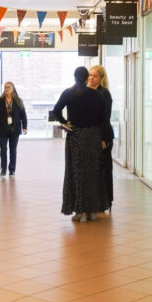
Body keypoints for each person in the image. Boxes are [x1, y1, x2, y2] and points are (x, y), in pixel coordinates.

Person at [50, 66, 109, 222]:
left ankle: (79, 210)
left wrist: (65, 123)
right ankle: (92, 210)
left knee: (76, 173)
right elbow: (103, 119)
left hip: (75, 136)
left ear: (74, 77)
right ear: (85, 78)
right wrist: (102, 138)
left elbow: (55, 111)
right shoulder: (96, 96)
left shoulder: (69, 93)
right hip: (93, 137)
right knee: (93, 173)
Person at [87, 65, 114, 211]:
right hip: (92, 136)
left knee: (104, 169)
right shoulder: (88, 92)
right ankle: (96, 200)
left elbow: (105, 118)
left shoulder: (104, 94)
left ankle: (106, 201)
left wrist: (103, 139)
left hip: (103, 137)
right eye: (90, 75)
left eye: (95, 76)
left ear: (101, 78)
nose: (91, 78)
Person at [0, 81, 28, 176]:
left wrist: (25, 127)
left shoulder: (19, 101)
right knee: (3, 149)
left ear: (13, 89)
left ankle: (12, 170)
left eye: (8, 87)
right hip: (2, 129)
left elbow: (23, 115)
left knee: (13, 150)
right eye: (5, 87)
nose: (6, 89)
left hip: (15, 129)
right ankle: (3, 170)